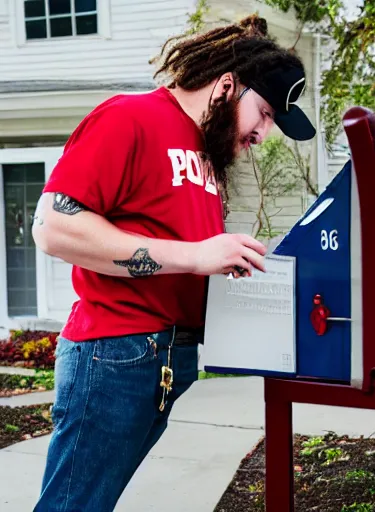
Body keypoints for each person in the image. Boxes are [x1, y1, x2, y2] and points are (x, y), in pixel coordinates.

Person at [30, 14, 315, 511]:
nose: (264, 134)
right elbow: (53, 227)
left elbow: (183, 259)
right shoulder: (130, 117)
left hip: (165, 359)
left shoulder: (203, 154)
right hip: (114, 352)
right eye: (265, 113)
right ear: (228, 85)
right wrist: (199, 254)